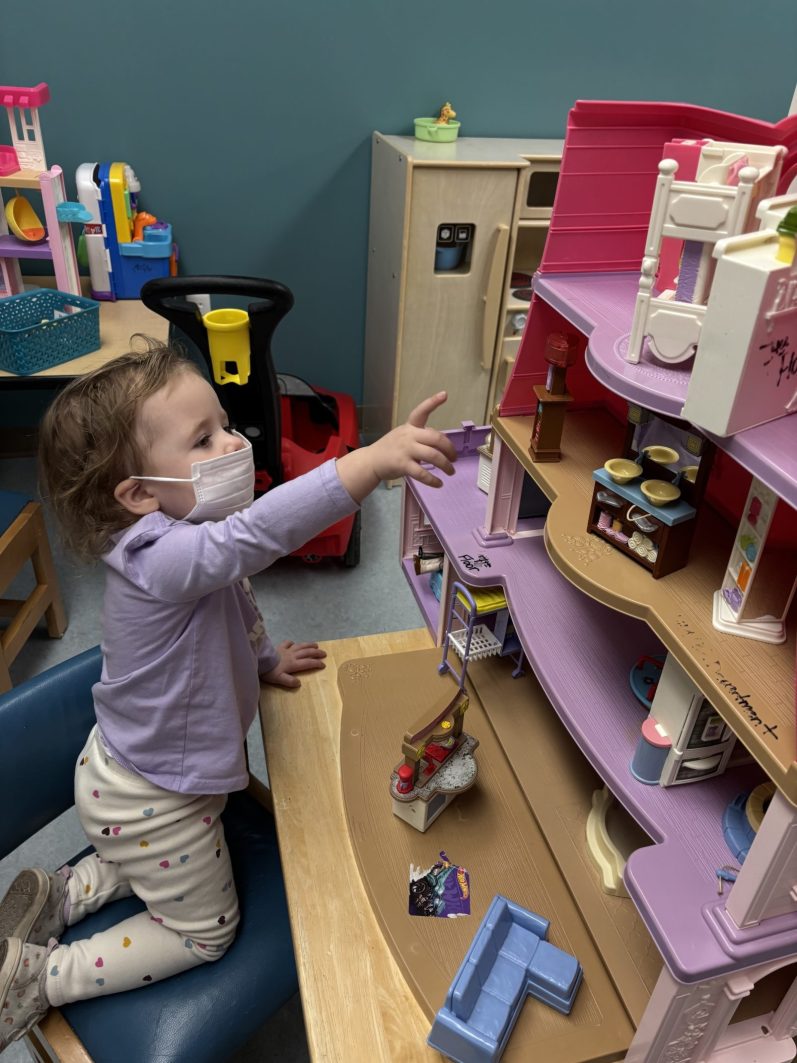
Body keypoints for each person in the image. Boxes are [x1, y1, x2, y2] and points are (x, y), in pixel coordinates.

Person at [0, 341, 456, 1050]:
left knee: (145, 856)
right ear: (139, 495)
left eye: (225, 424)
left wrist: (264, 658)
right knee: (206, 933)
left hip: (129, 777)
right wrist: (365, 464)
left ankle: (68, 892)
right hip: (156, 798)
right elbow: (253, 538)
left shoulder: (188, 536)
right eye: (203, 438)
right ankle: (43, 976)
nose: (234, 443)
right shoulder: (157, 560)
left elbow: (234, 599)